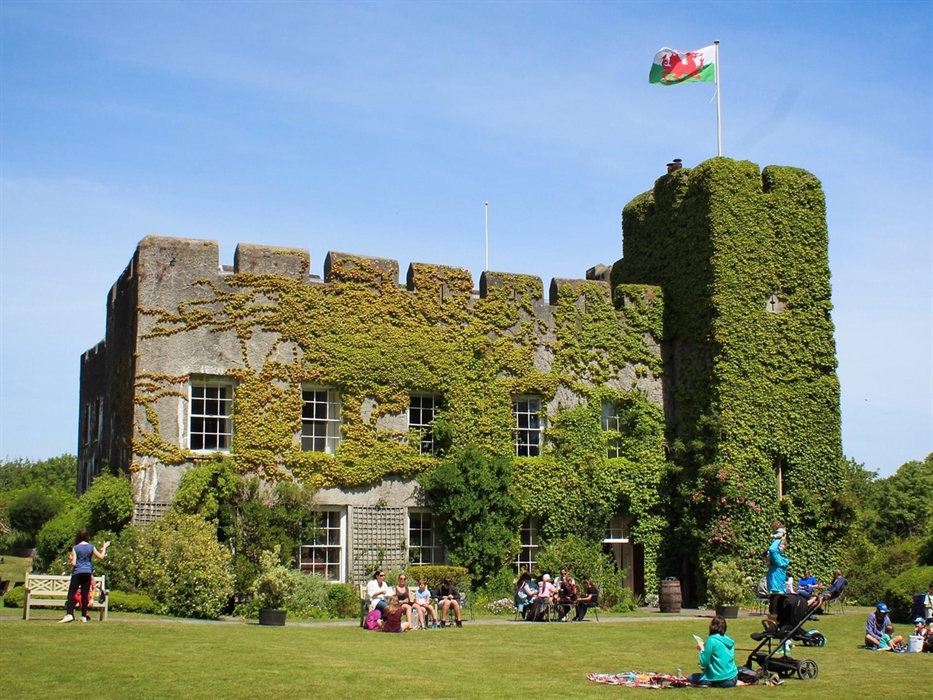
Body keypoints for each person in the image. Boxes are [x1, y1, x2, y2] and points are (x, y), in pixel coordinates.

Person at [59, 528, 109, 623]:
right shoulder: (91, 547)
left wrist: (71, 561)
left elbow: (74, 563)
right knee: (85, 594)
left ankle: (69, 614)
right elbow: (101, 557)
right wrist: (104, 547)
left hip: (78, 572)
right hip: (87, 572)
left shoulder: (76, 548)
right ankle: (84, 616)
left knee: (71, 593)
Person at [687, 615, 745, 687]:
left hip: (719, 679)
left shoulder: (711, 640)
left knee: (690, 677)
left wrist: (702, 649)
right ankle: (734, 682)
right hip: (733, 677)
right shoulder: (729, 640)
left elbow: (704, 662)